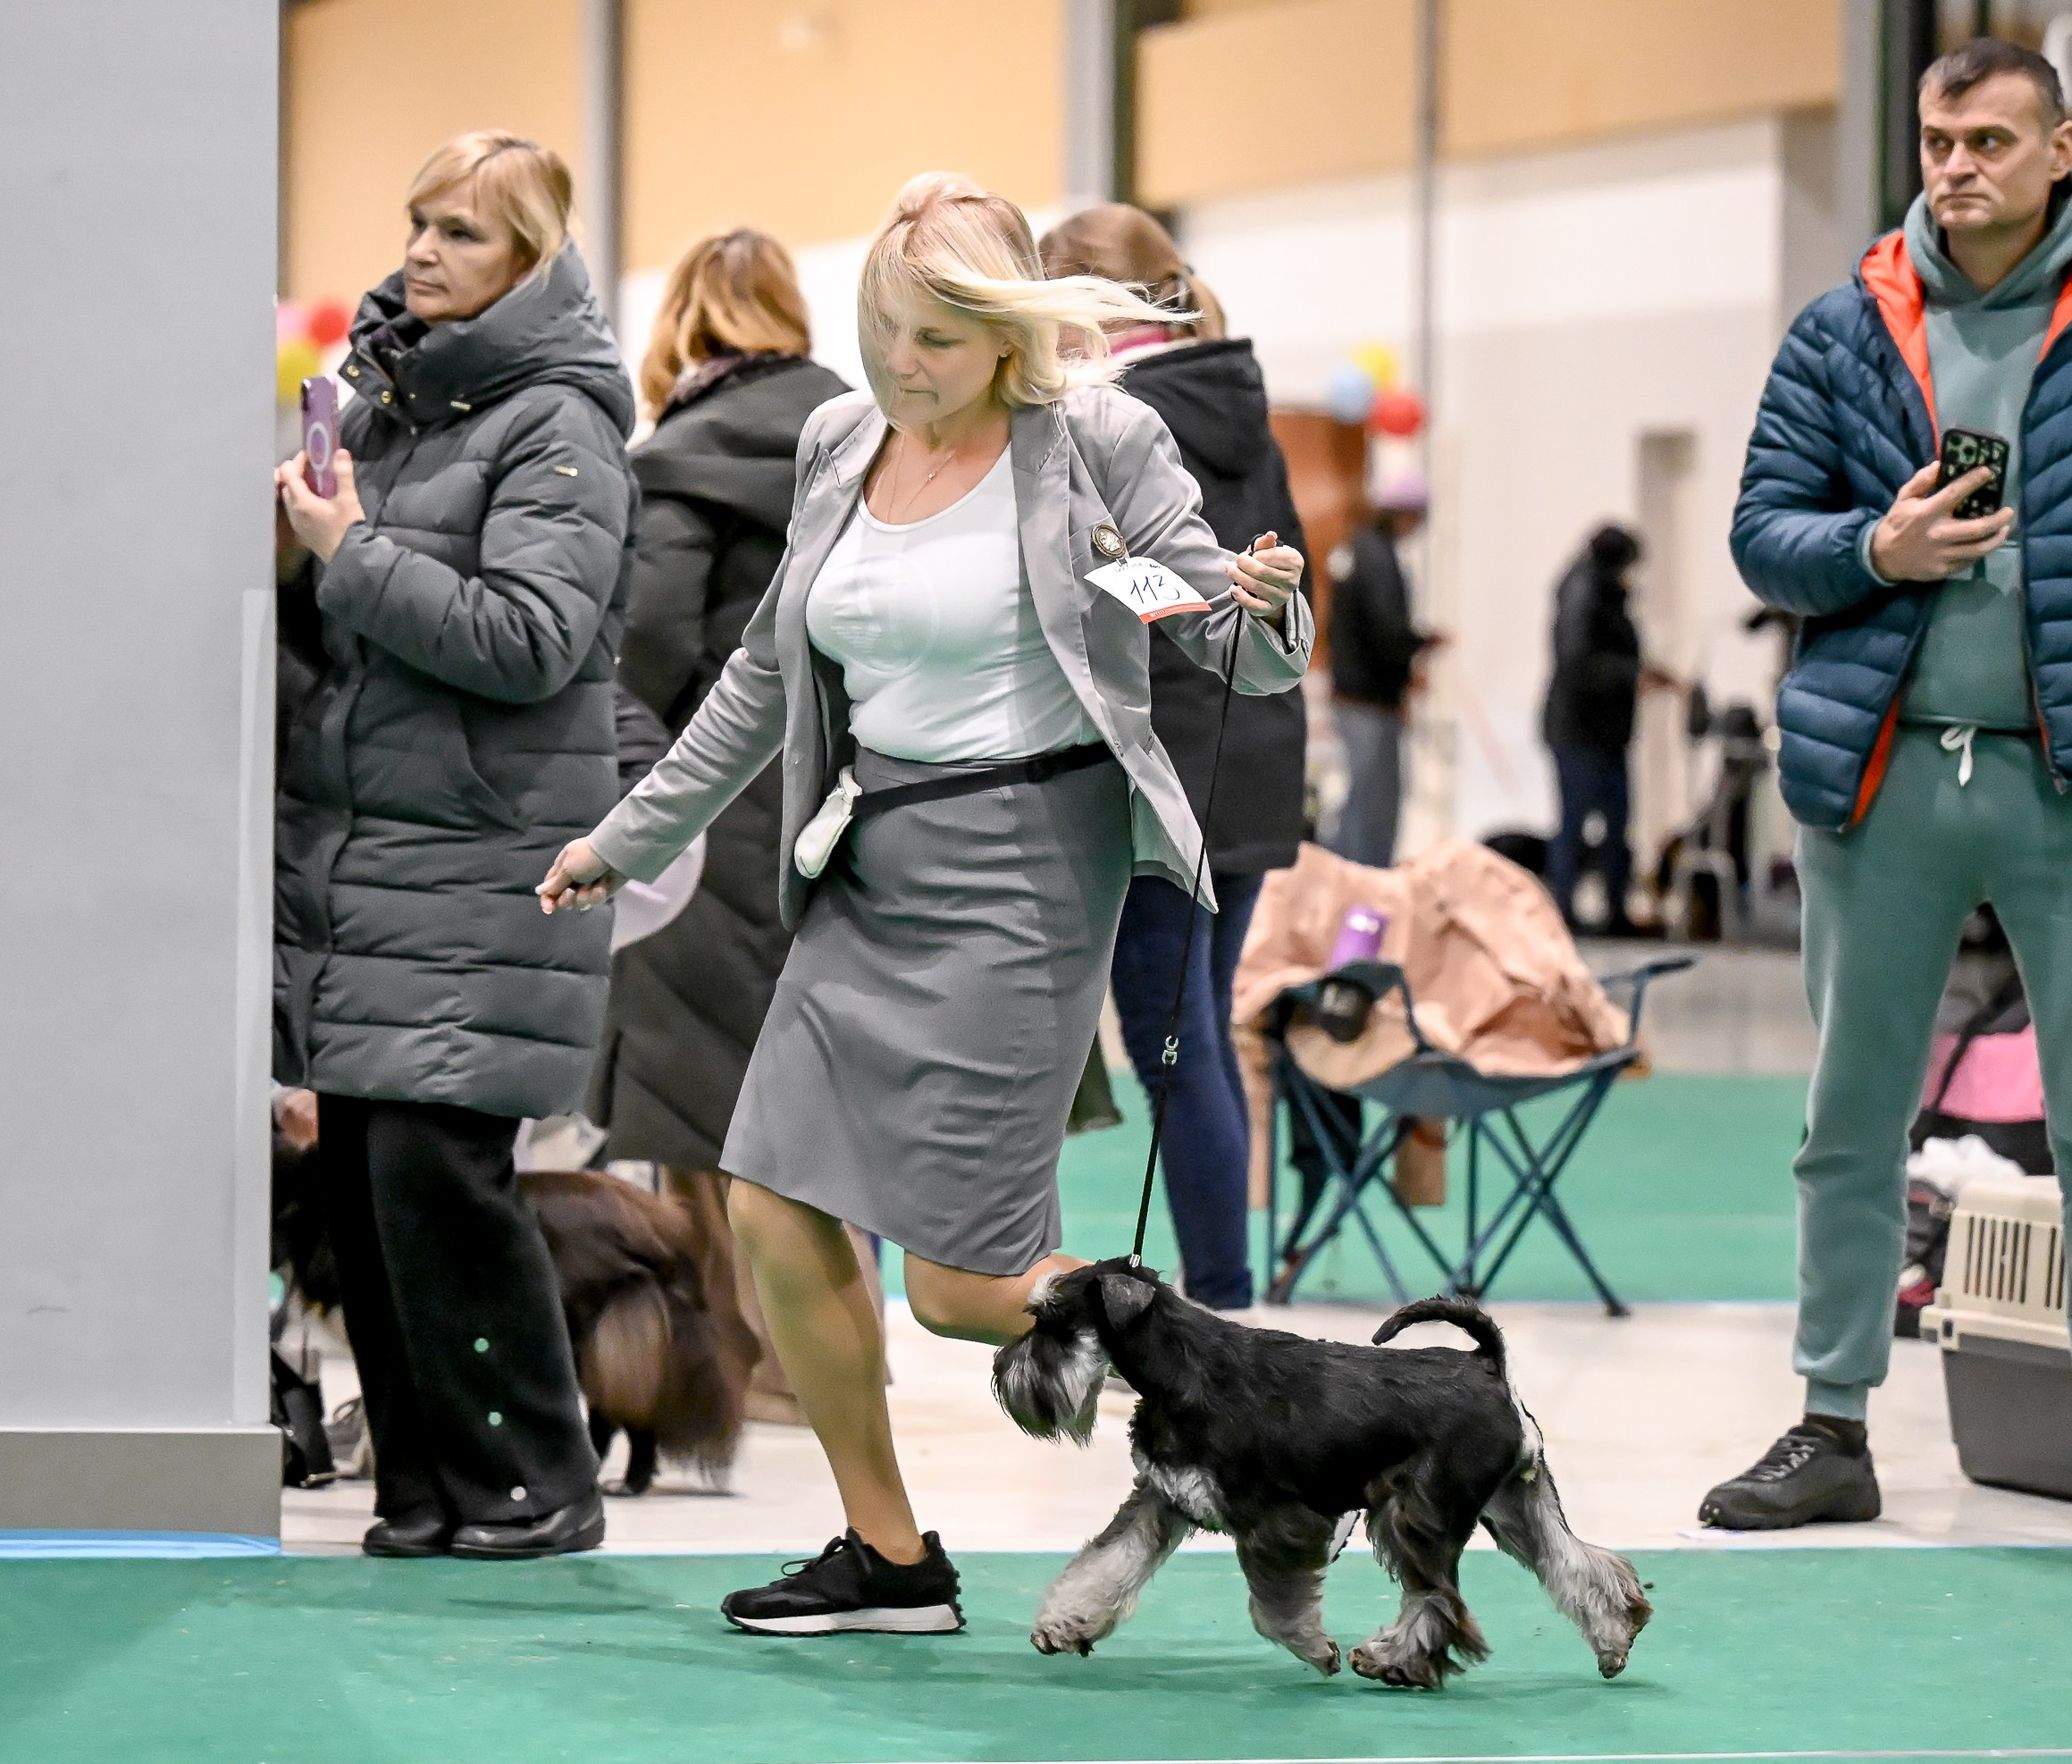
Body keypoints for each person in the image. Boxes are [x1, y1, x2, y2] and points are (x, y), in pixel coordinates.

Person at [538, 173, 1310, 1632]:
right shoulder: (840, 440)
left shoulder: (1095, 445)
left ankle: (1267, 1403)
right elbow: (763, 685)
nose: (904, 366)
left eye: (939, 340)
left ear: (1008, 333)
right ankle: (891, 1558)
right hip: (866, 862)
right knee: (770, 1202)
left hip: (1026, 870)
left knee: (962, 1290)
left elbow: (1233, 650)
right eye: (885, 330)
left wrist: (1264, 604)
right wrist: (627, 841)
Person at [1712, 39, 2072, 1550]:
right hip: (1880, 782)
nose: (1958, 165)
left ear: (2060, 147)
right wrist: (1875, 555)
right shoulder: (1842, 325)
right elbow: (1760, 534)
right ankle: (1831, 1423)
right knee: (1847, 1118)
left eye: (1992, 140)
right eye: (1941, 138)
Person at [273, 130, 635, 1560]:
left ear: (533, 261)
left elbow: (532, 639)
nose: (423, 251)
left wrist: (350, 552)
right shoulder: (389, 406)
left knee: (441, 1186)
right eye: (419, 222)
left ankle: (540, 1486)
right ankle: (426, 1490)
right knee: (368, 1193)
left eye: (465, 235)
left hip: (485, 869)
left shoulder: (559, 424)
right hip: (370, 873)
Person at [587, 227, 862, 1401]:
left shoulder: (676, 462)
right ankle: (846, 1362)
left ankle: (738, 1361)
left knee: (694, 1103)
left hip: (712, 799)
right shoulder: (867, 441)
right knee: (819, 1100)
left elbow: (645, 641)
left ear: (683, 326)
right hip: (841, 794)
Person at [1037, 204, 1311, 1311]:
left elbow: (1150, 582)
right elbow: (1272, 590)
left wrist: (1127, 581)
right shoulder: (1244, 403)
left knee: (1177, 1042)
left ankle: (1223, 1304)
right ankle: (1229, 1289)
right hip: (1253, 758)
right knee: (1199, 1032)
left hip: (1171, 764)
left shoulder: (1112, 415)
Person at [1540, 524, 1679, 932]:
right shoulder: (1584, 592)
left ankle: (1613, 908)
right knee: (1575, 822)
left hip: (1603, 730)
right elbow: (1578, 659)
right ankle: (1562, 909)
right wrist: (1629, 676)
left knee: (1615, 820)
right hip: (1579, 730)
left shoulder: (1600, 593)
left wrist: (1643, 672)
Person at [1327, 479, 1432, 867]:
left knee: (1365, 793)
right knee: (1373, 799)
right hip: (1369, 698)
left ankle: (1354, 877)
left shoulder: (1359, 548)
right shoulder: (1377, 557)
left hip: (1359, 693)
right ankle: (1363, 884)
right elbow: (1386, 630)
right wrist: (1418, 647)